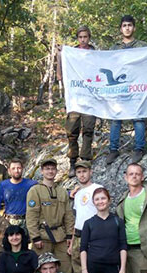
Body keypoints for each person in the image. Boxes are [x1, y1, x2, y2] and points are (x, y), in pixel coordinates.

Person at [107, 15, 147, 165]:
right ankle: (113, 149)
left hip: (137, 87)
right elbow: (106, 63)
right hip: (119, 88)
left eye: (130, 25)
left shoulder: (142, 46)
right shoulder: (114, 48)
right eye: (124, 25)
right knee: (115, 118)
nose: (127, 28)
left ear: (134, 28)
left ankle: (139, 148)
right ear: (120, 28)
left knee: (138, 117)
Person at [56, 26, 97, 176]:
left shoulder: (94, 54)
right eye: (80, 37)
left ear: (89, 37)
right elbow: (60, 74)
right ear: (77, 38)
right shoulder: (71, 54)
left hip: (90, 97)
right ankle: (72, 161)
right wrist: (60, 55)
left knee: (88, 129)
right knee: (72, 130)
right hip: (75, 97)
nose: (83, 39)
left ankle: (85, 159)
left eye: (85, 37)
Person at [26, 158, 75, 273]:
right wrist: (35, 237)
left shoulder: (62, 191)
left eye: (53, 169)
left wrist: (69, 235)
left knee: (66, 268)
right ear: (42, 171)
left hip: (61, 237)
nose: (50, 171)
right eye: (47, 169)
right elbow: (31, 216)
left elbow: (68, 215)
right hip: (43, 237)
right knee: (41, 270)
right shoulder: (35, 191)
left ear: (56, 171)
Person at [69, 160, 102, 273]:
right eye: (79, 172)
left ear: (91, 172)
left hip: (94, 237)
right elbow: (78, 217)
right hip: (78, 236)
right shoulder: (77, 194)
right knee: (78, 272)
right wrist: (71, 241)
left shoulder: (97, 189)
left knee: (94, 272)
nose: (82, 175)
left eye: (84, 171)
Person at [0, 159, 37, 227]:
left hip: (27, 221)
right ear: (9, 170)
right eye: (13, 168)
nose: (16, 171)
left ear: (22, 169)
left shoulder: (31, 184)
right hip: (9, 221)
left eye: (19, 168)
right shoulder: (3, 185)